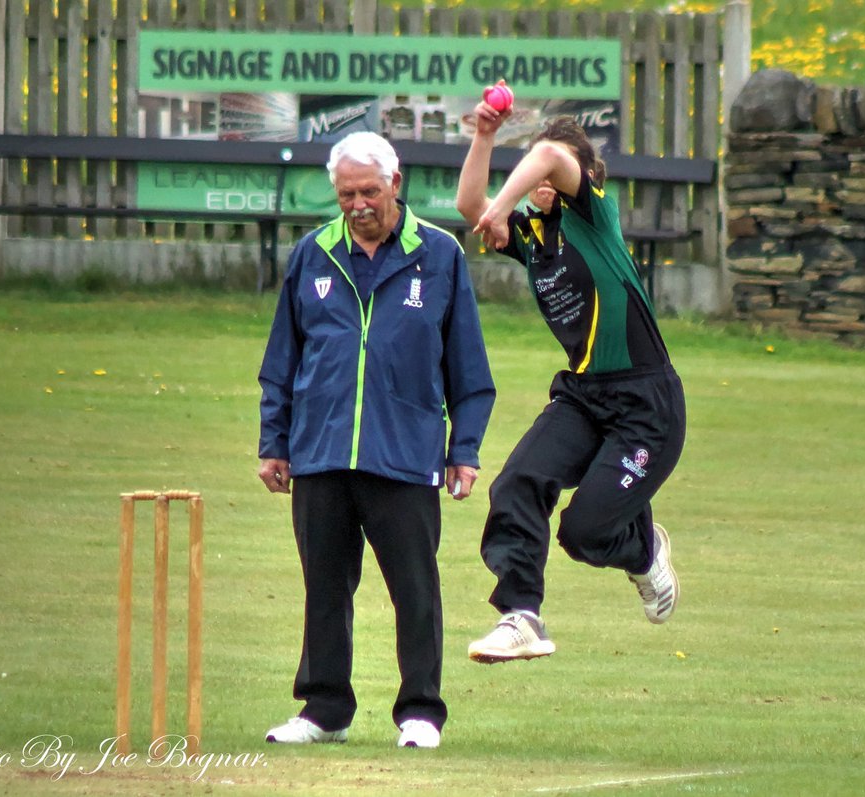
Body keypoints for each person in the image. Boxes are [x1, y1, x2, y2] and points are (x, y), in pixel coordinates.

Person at [257, 131, 495, 748]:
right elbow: (282, 360)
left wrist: (464, 450)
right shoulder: (313, 253)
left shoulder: (439, 255)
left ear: (395, 183)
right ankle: (324, 711)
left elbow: (469, 369)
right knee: (324, 589)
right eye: (346, 194)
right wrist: (274, 442)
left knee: (414, 590)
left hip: (406, 453)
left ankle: (420, 712)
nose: (358, 204)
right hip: (321, 450)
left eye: (368, 191)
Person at [456, 87, 686, 664]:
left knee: (584, 534)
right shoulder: (535, 238)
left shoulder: (593, 216)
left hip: (646, 404)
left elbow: (550, 155)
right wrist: (485, 136)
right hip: (583, 396)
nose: (539, 176)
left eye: (548, 171)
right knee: (517, 484)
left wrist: (507, 202)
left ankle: (644, 551)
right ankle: (520, 616)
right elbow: (469, 204)